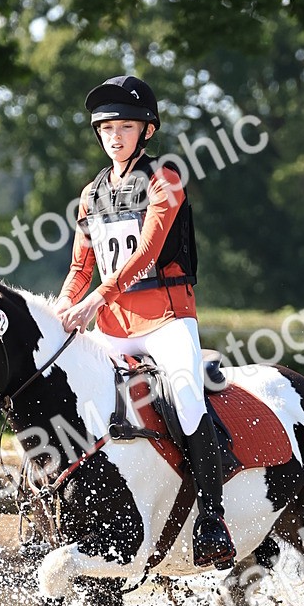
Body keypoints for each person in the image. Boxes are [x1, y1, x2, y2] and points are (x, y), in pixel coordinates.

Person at [56, 75, 236, 570]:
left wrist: (96, 299)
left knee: (186, 396)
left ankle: (213, 520)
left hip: (166, 319)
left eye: (126, 127)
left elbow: (146, 252)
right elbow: (79, 267)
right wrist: (61, 311)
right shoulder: (90, 195)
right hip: (112, 326)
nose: (115, 137)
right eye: (107, 128)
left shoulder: (165, 179)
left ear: (147, 131)